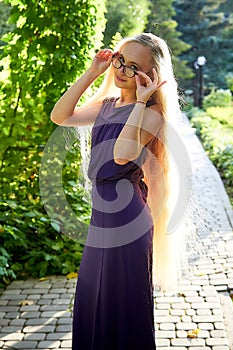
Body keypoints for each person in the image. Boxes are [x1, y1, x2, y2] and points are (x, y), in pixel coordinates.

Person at [51, 32, 182, 350]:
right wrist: (92, 72)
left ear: (150, 76)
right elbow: (60, 115)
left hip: (128, 220)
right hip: (102, 218)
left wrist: (139, 102)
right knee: (94, 298)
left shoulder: (152, 114)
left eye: (133, 66)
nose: (122, 70)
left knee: (122, 304)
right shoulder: (107, 106)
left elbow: (122, 154)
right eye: (120, 60)